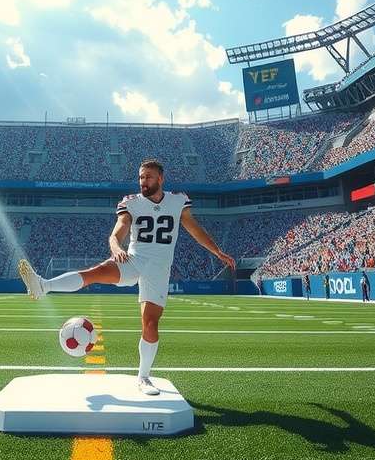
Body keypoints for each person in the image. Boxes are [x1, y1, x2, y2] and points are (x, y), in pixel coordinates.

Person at [17, 159, 236, 395]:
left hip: (159, 268)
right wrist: (116, 247)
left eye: (148, 177)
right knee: (96, 273)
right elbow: (118, 231)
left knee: (150, 325)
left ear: (161, 178)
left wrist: (218, 252)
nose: (143, 181)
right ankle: (43, 285)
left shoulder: (178, 200)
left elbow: (194, 229)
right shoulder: (131, 202)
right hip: (134, 259)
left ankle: (143, 377)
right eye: (141, 177)